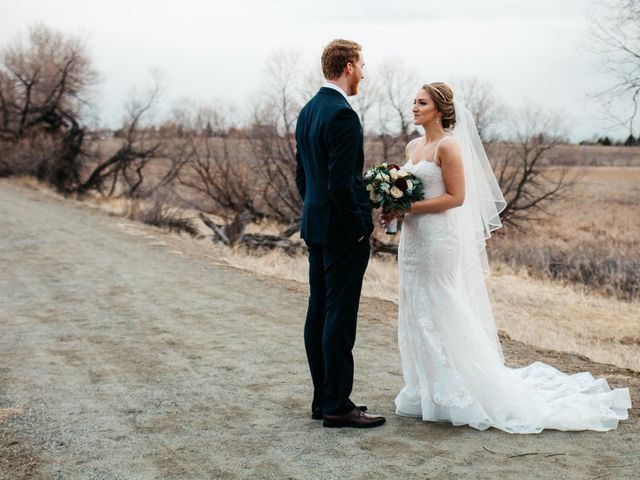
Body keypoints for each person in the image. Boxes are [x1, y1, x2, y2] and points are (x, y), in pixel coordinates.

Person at [390, 82, 631, 433]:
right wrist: (394, 208)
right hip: (412, 238)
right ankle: (426, 389)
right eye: (413, 101)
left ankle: (461, 389)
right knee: (414, 306)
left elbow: (456, 198)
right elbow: (406, 191)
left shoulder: (448, 146)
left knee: (440, 303)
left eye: (421, 102)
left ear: (440, 109)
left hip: (438, 239)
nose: (414, 107)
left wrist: (408, 206)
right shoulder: (413, 146)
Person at [294, 39, 385, 428]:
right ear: (347, 66)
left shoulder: (308, 111)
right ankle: (338, 405)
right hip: (342, 234)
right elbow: (342, 183)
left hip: (316, 227)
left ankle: (323, 399)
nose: (364, 72)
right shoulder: (343, 115)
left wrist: (317, 213)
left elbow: (304, 177)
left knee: (319, 313)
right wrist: (360, 228)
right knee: (340, 317)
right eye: (362, 64)